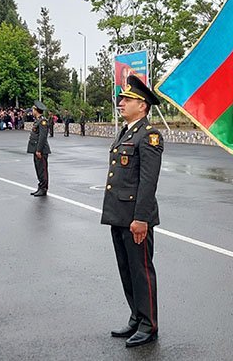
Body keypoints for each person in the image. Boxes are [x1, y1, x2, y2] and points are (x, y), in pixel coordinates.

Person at [101, 76, 164, 348]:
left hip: (135, 217)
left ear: (143, 105)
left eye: (128, 99)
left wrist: (141, 219)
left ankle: (149, 325)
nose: (121, 102)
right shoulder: (126, 132)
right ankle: (136, 316)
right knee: (126, 269)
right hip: (119, 213)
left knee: (141, 270)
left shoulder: (149, 136)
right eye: (122, 98)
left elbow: (148, 183)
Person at [27, 101, 51, 197]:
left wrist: (39, 150)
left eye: (33, 109)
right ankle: (40, 186)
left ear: (36, 110)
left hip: (41, 150)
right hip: (36, 149)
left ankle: (44, 188)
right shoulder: (37, 121)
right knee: (38, 169)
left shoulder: (43, 121)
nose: (32, 111)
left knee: (42, 170)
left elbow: (42, 137)